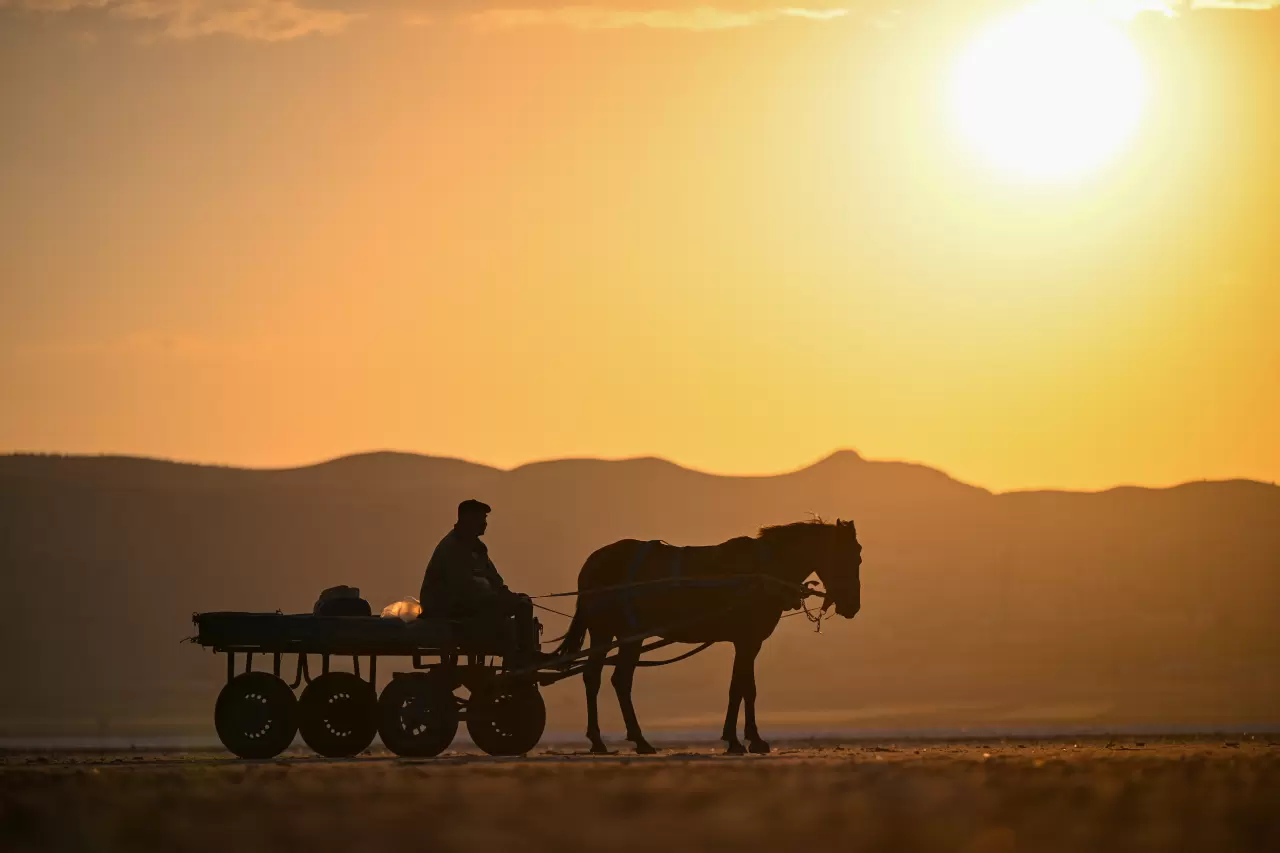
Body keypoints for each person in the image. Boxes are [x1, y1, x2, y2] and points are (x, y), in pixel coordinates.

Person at [420, 499, 543, 663]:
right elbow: (464, 586)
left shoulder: (477, 547)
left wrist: (507, 594)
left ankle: (524, 653)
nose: (485, 523)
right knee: (511, 608)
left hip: (470, 603)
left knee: (523, 602)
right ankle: (520, 657)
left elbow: (494, 579)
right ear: (468, 519)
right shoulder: (451, 548)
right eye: (481, 518)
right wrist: (495, 599)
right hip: (447, 607)